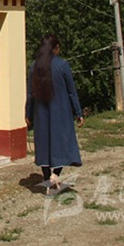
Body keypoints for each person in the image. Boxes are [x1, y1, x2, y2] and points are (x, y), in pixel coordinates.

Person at [25, 34, 84, 194]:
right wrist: (78, 112)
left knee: (44, 146)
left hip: (40, 114)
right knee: (63, 143)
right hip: (61, 112)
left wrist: (28, 113)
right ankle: (55, 175)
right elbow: (71, 92)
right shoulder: (62, 65)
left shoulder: (34, 67)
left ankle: (48, 182)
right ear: (55, 48)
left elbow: (30, 93)